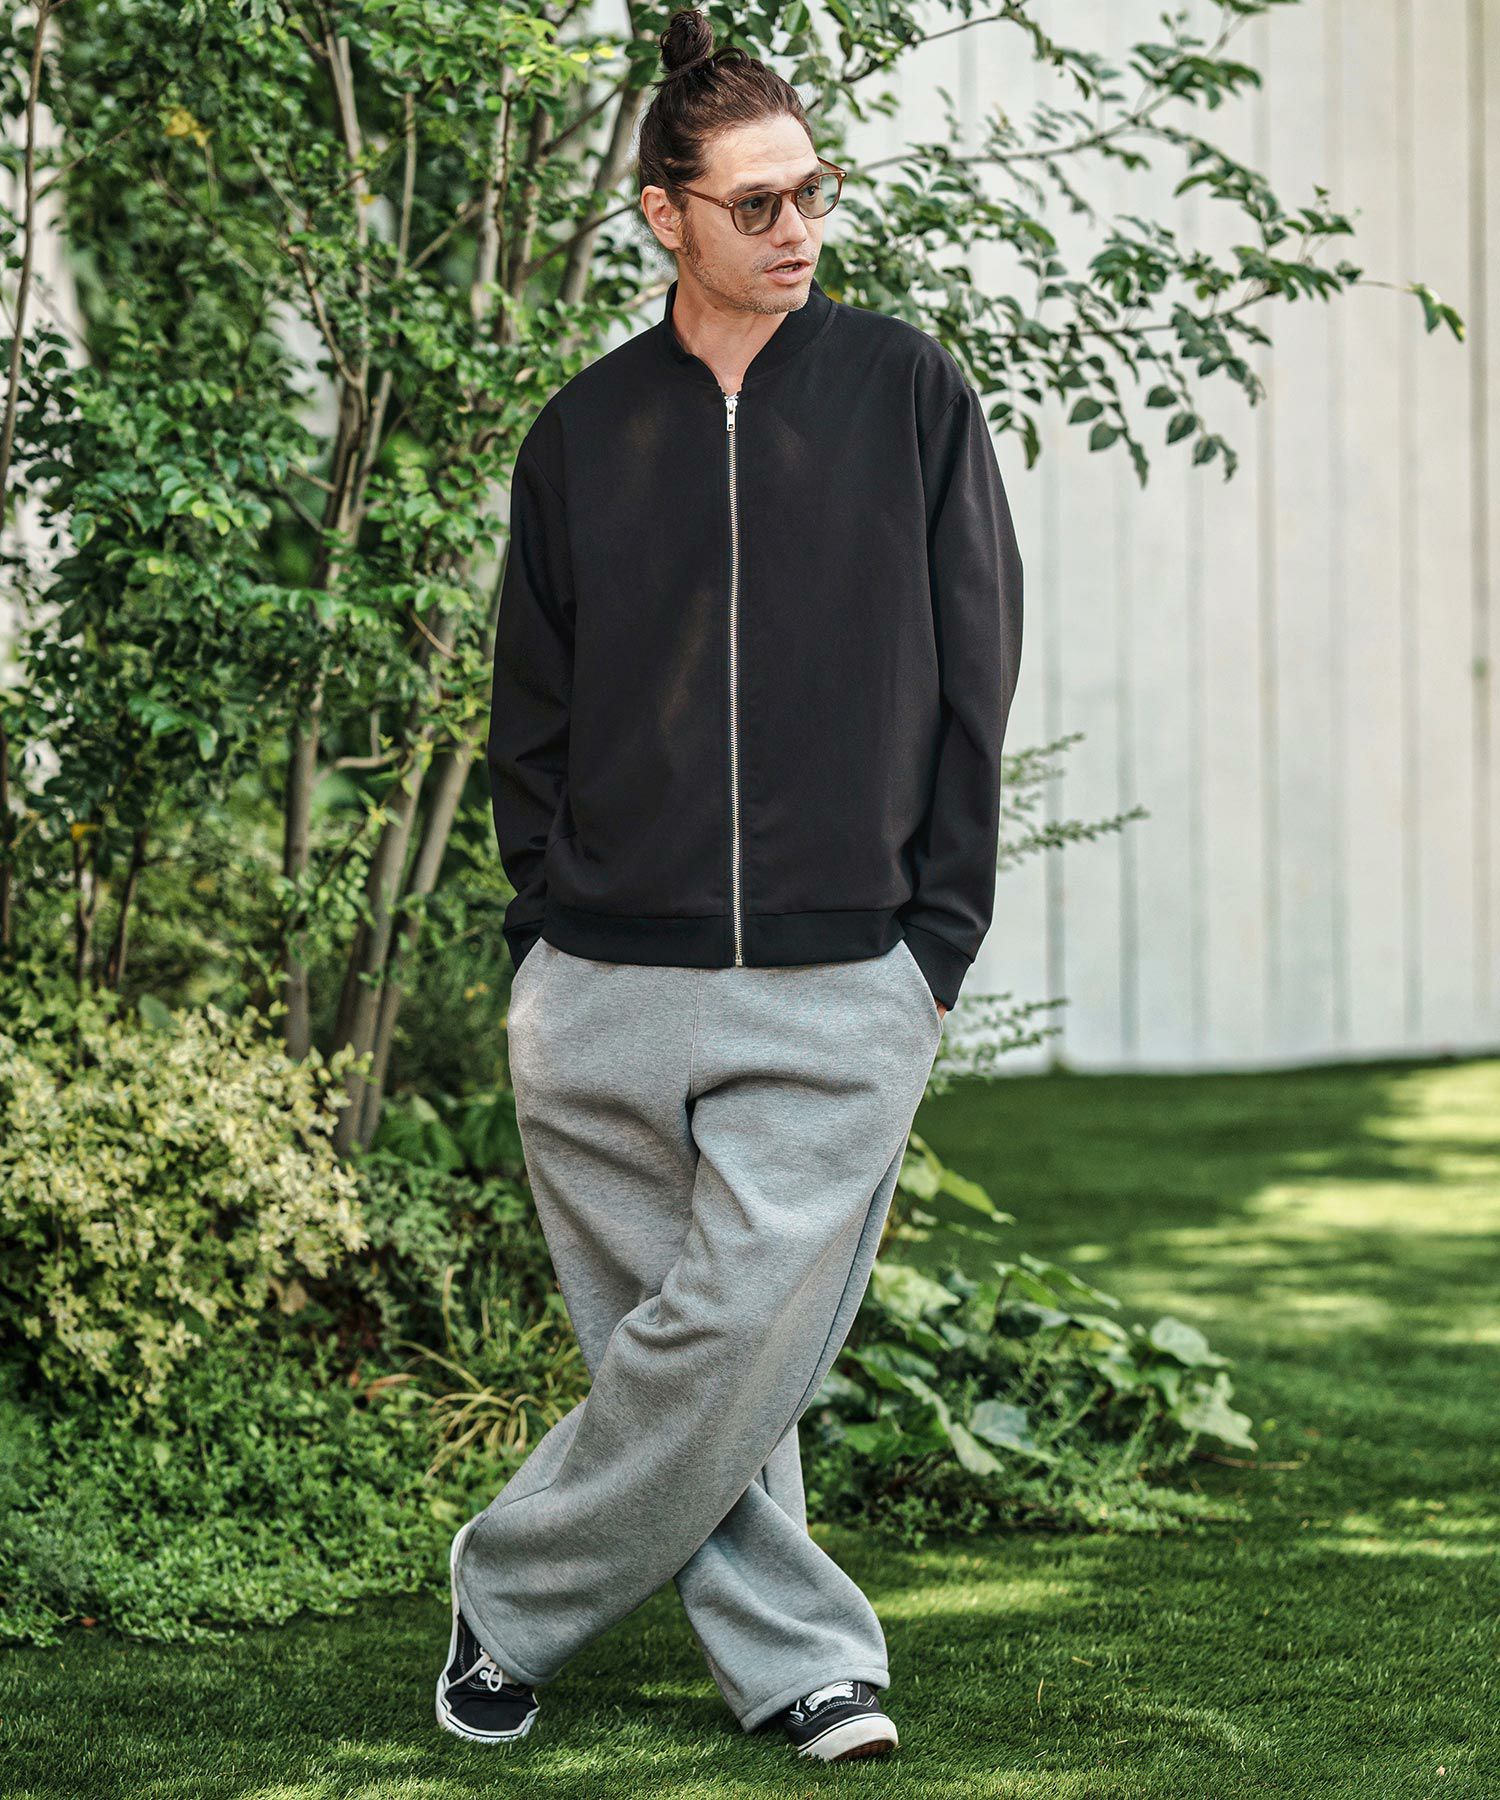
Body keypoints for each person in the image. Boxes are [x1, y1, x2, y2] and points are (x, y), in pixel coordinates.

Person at [435, 4, 1023, 1765]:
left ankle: (506, 1594)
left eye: (813, 192)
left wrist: (936, 941)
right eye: (756, 203)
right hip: (604, 979)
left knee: (732, 1335)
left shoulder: (906, 393)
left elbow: (979, 673)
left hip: (847, 974)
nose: (797, 229)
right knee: (693, 1361)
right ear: (664, 217)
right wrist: (543, 937)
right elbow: (531, 712)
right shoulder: (583, 433)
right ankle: (802, 1665)